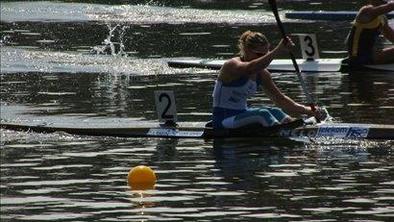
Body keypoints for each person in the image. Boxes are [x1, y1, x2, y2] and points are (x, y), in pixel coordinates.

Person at [212, 30, 324, 129]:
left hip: (242, 114)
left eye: (265, 54)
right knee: (263, 114)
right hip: (223, 120)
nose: (263, 58)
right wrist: (278, 50)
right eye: (259, 54)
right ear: (246, 49)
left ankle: (297, 129)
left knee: (276, 111)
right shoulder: (232, 65)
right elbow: (250, 68)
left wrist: (308, 110)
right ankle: (282, 132)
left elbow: (281, 100)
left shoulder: (262, 74)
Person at [346, 0, 394, 67]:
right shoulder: (366, 11)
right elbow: (391, 6)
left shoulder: (382, 18)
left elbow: (390, 35)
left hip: (370, 56)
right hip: (358, 58)